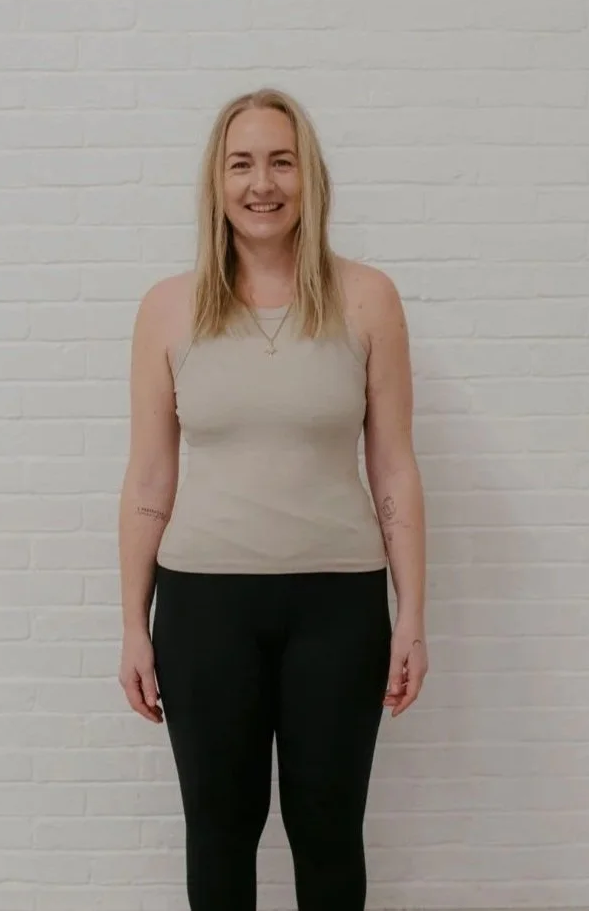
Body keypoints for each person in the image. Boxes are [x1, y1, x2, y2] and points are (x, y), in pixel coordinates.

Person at [117, 87, 428, 911]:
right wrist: (132, 625)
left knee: (328, 831)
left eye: (281, 162)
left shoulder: (367, 299)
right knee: (219, 832)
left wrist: (411, 615)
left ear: (308, 176)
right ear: (216, 182)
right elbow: (149, 479)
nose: (263, 184)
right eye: (242, 164)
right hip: (202, 609)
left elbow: (393, 466)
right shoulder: (168, 308)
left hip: (339, 608)